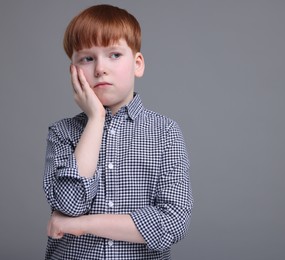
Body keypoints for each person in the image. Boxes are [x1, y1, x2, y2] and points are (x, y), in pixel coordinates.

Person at [43, 4, 193, 259]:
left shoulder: (165, 132)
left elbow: (173, 221)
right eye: (87, 58)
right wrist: (95, 119)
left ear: (137, 64)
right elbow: (69, 205)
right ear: (73, 70)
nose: (100, 68)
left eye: (114, 54)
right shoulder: (62, 132)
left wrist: (82, 224)